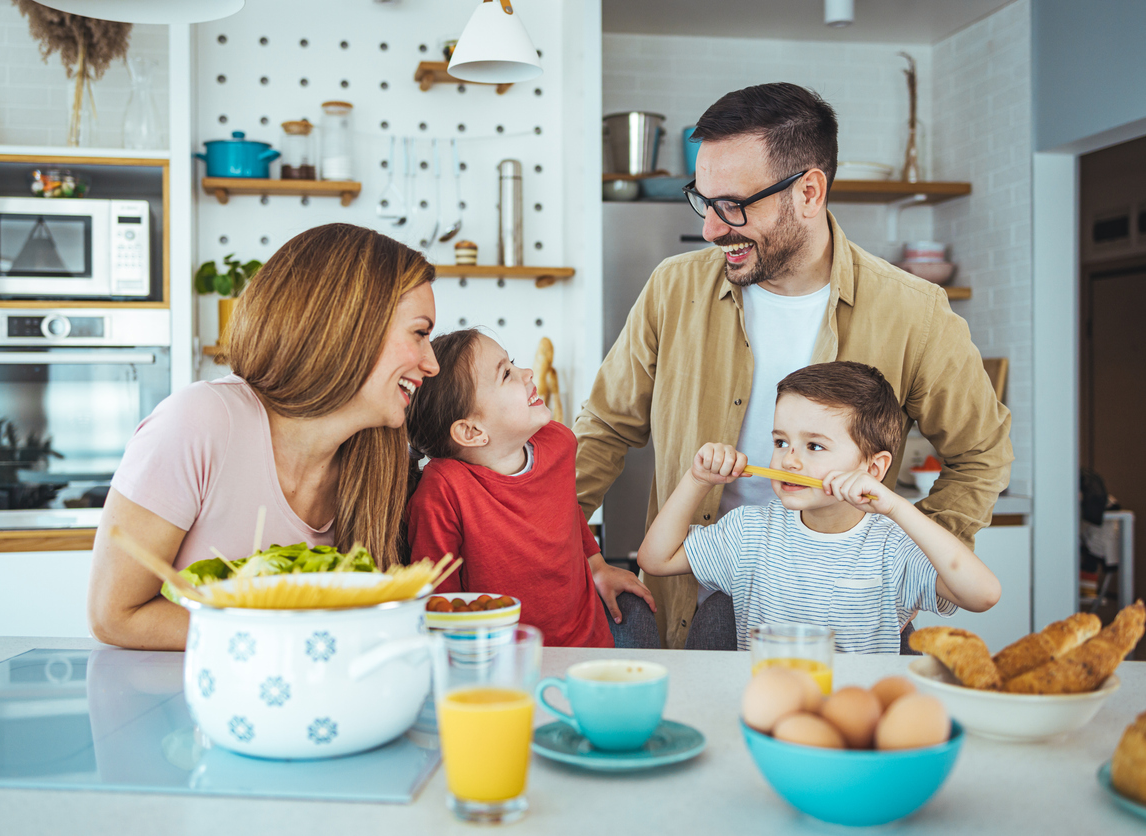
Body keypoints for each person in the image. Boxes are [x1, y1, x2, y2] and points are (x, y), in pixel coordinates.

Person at [574, 82, 1013, 649]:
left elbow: (980, 455)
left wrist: (913, 566)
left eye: (732, 205)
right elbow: (604, 431)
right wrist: (567, 549)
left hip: (844, 619)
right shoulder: (671, 288)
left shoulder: (913, 310)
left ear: (809, 192)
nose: (711, 228)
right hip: (692, 607)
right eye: (704, 202)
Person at [87, 224, 440, 650]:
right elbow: (115, 615)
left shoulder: (378, 460)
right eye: (420, 333)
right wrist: (292, 634)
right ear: (350, 324)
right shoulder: (199, 422)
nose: (431, 363)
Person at [637, 362, 1001, 653]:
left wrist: (897, 508)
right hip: (765, 710)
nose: (788, 461)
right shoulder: (749, 532)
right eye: (781, 442)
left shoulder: (895, 546)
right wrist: (697, 480)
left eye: (814, 447)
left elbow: (983, 595)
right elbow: (655, 560)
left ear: (872, 469)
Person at [405, 329, 656, 648]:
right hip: (500, 660)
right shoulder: (442, 490)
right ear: (471, 431)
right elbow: (440, 597)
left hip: (586, 645)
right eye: (506, 374)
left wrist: (597, 565)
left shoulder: (559, 442)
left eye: (512, 363)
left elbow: (569, 512)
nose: (527, 373)